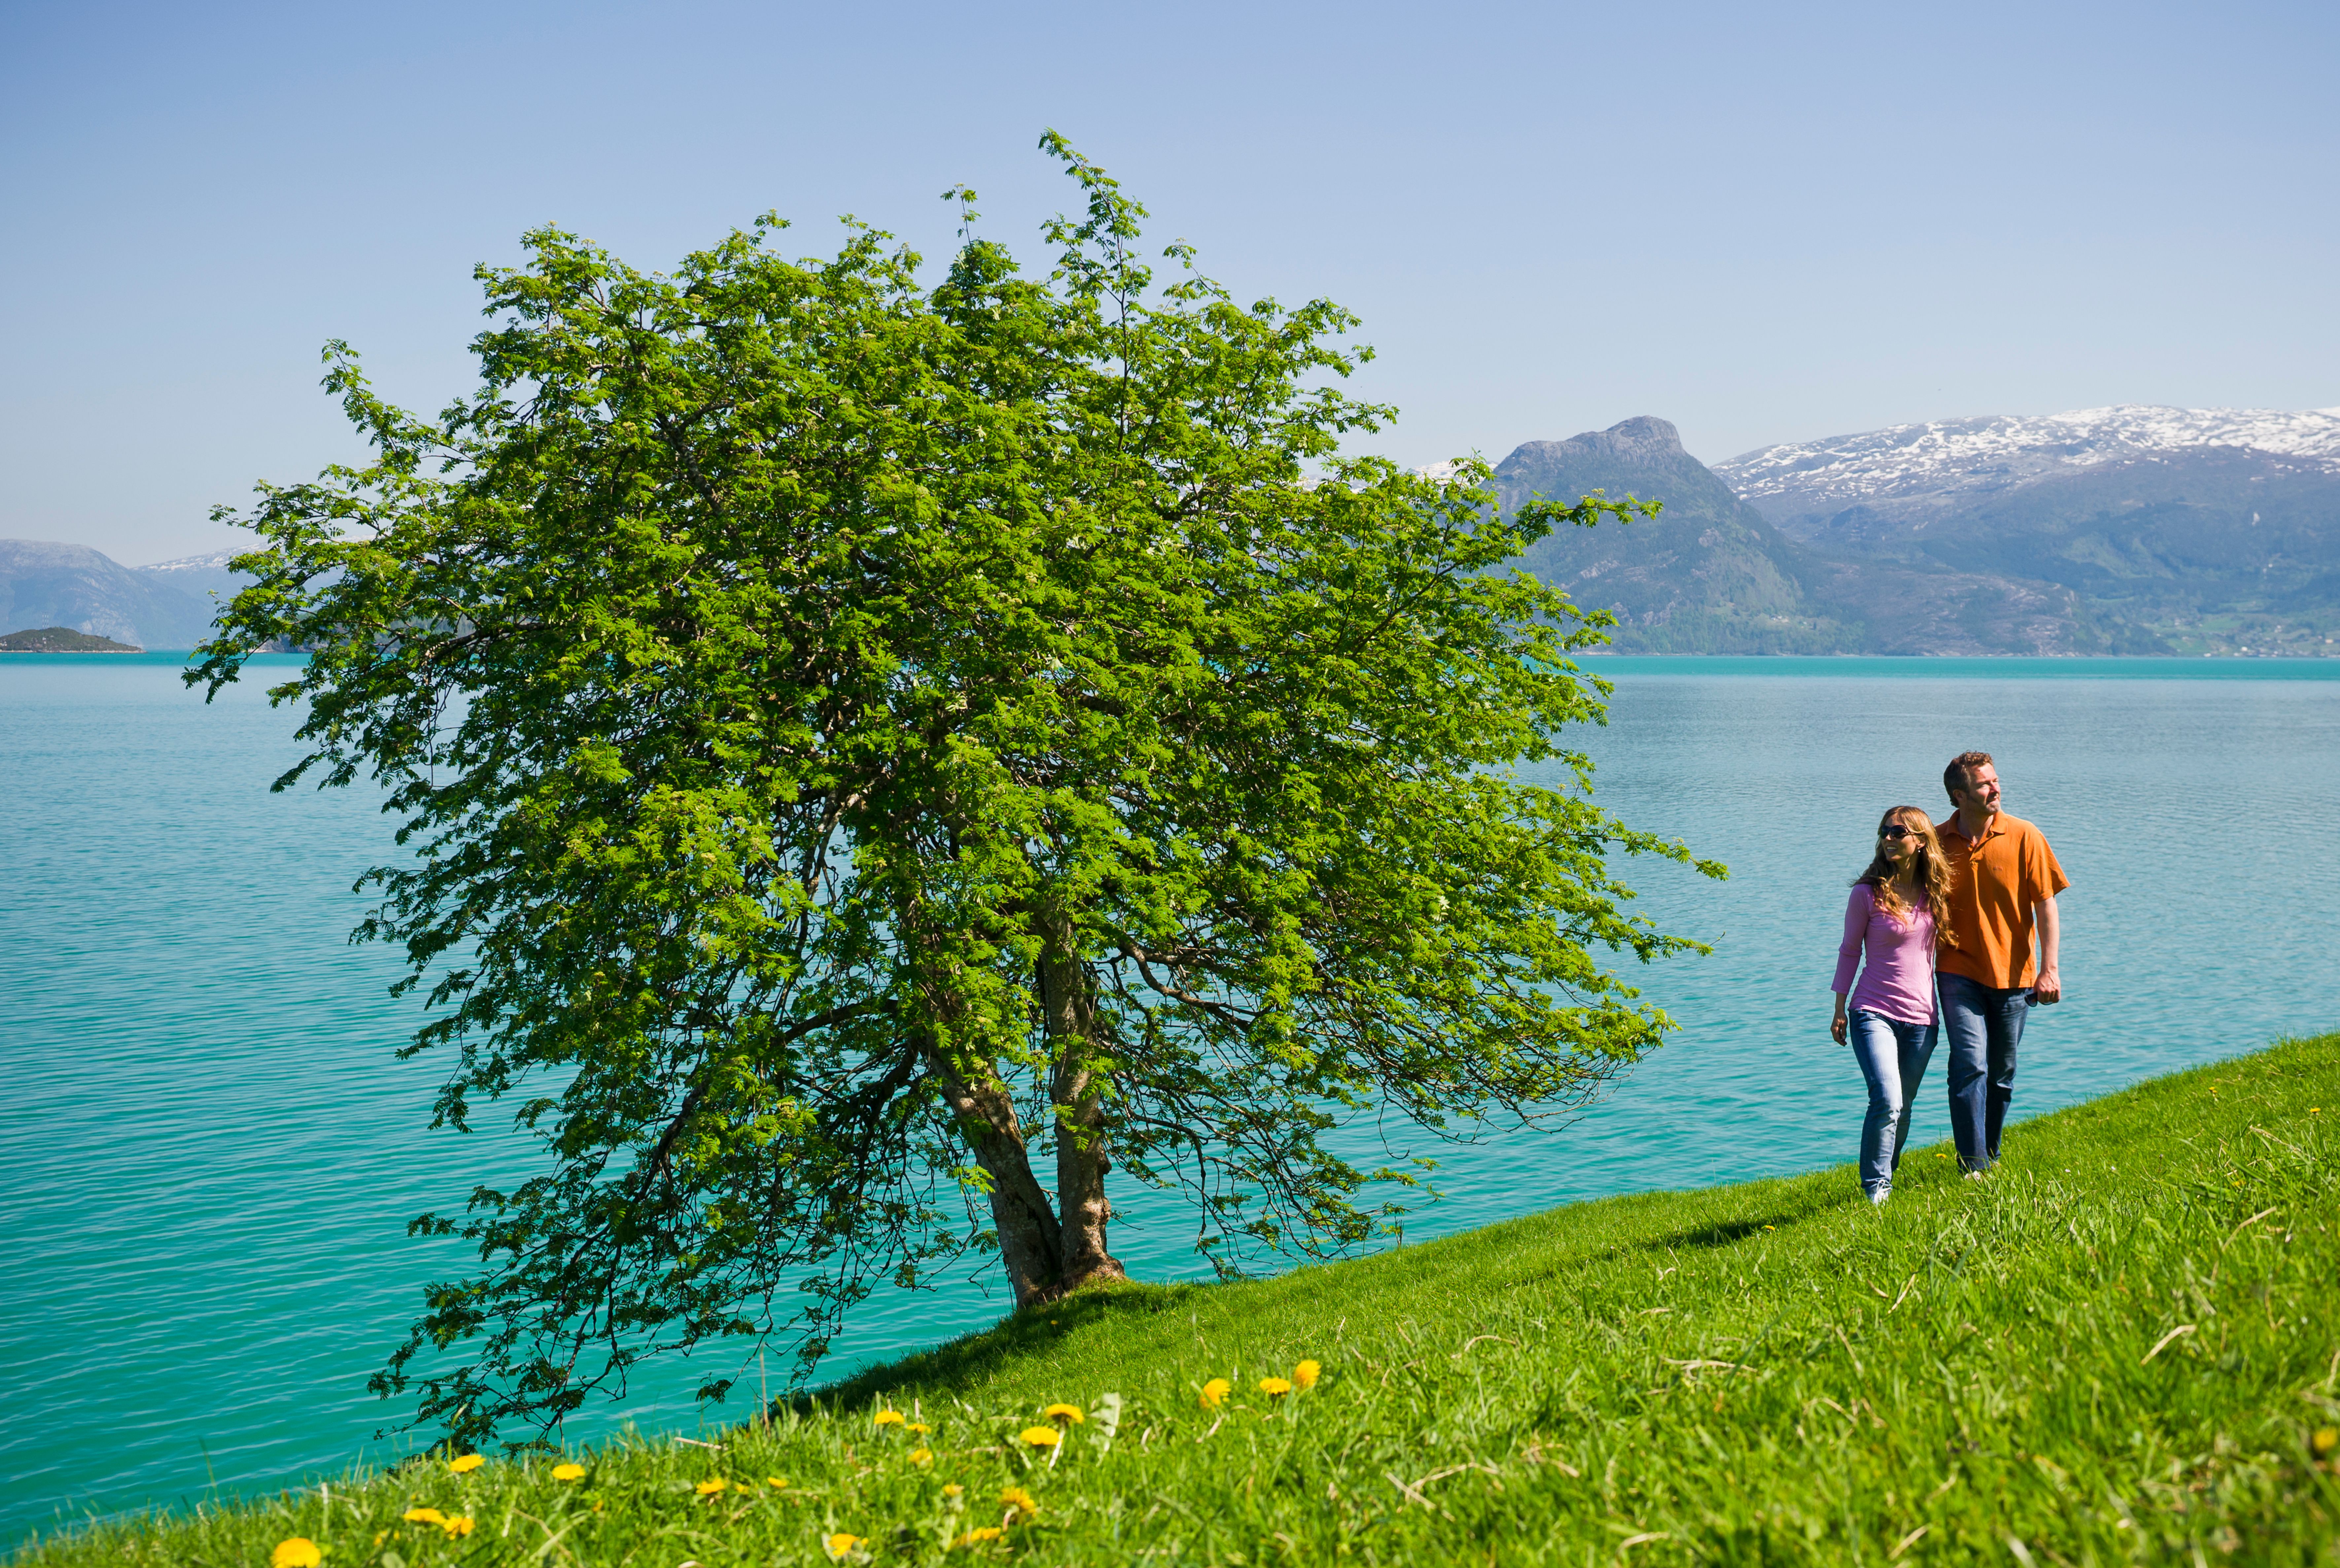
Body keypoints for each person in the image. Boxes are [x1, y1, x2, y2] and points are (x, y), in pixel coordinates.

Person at [1935, 750, 2069, 1175]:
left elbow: (2046, 906)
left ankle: (1988, 1154)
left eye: (1995, 781)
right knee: (1968, 1064)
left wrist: (2049, 969)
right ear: (1960, 796)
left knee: (2000, 1075)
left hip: (2014, 975)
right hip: (1956, 971)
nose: (1995, 788)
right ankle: (1971, 1166)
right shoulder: (1936, 843)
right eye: (1984, 784)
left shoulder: (2025, 835)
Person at [1830, 806, 1953, 1205]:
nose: (1887, 838)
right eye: (1884, 831)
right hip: (1872, 1011)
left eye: (1898, 832)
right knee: (1887, 1099)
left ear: (1919, 841)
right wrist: (1838, 1007)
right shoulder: (1866, 894)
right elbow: (1850, 952)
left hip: (1922, 1019)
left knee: (1904, 1105)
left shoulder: (1936, 893)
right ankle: (1876, 1188)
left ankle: (1888, 1166)